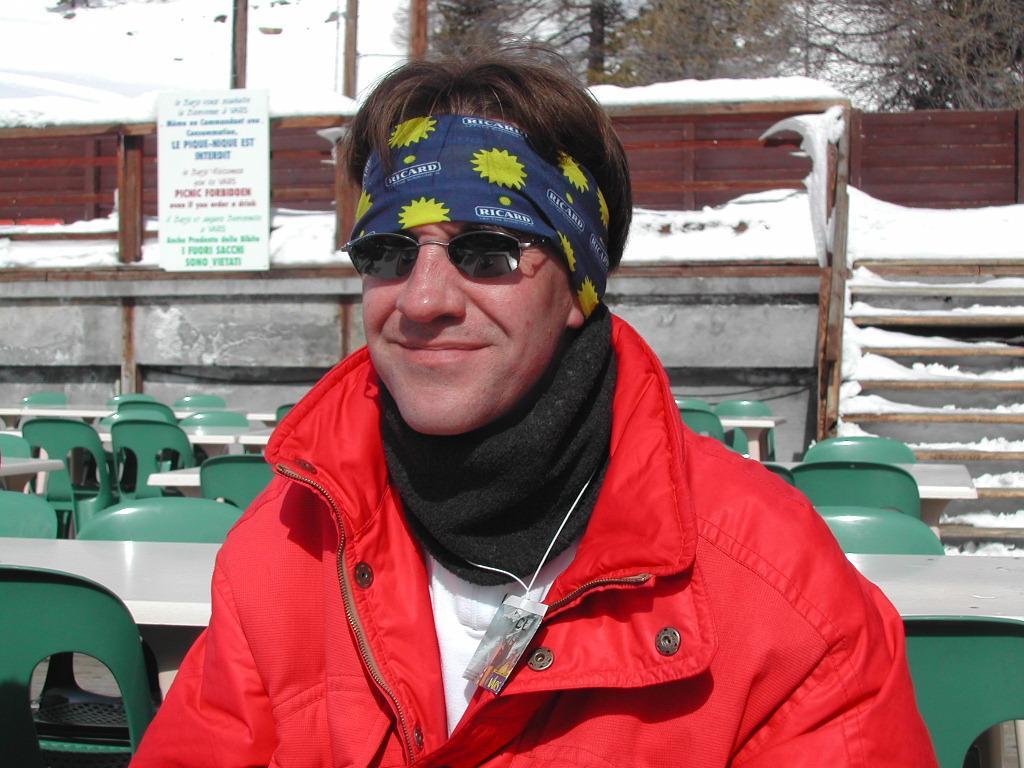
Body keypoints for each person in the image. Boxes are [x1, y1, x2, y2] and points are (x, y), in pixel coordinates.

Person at [132, 46, 936, 766]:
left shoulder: (777, 585)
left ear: (579, 288)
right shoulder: (283, 547)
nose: (423, 298)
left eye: (488, 250)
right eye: (388, 249)